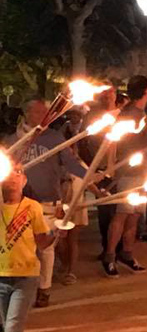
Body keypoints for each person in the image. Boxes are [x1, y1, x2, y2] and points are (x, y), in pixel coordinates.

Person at [6, 99, 87, 305]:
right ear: (27, 113)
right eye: (39, 112)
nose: (44, 117)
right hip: (19, 204)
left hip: (49, 201)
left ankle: (44, 289)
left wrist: (91, 176)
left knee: (46, 249)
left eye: (47, 113)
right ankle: (17, 292)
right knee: (20, 248)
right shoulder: (12, 140)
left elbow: (70, 163)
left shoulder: (55, 137)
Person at [0, 163, 66, 332]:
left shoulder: (31, 207)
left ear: (25, 180)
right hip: (0, 278)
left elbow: (43, 243)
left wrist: (58, 230)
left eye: (17, 172)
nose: (12, 177)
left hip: (25, 277)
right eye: (8, 172)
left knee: (11, 331)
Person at [102, 75, 147, 278]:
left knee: (135, 215)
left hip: (142, 171)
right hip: (128, 172)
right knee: (122, 214)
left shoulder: (141, 113)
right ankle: (109, 256)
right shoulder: (129, 114)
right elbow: (119, 143)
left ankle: (127, 253)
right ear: (145, 91)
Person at [79, 85, 118, 258]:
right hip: (99, 169)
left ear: (115, 95)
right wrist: (90, 166)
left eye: (111, 93)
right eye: (105, 93)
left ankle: (116, 247)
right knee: (105, 210)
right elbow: (82, 140)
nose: (108, 96)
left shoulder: (122, 115)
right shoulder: (92, 117)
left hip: (119, 168)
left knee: (119, 210)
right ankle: (107, 247)